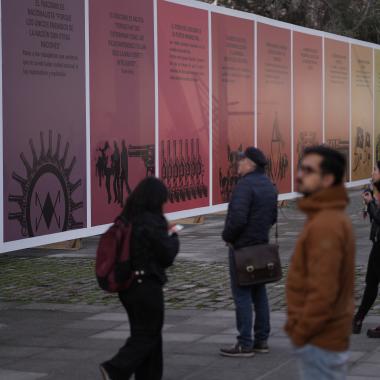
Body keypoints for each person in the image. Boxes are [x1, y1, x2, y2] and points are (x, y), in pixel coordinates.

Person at [285, 146, 355, 380]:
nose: (299, 175)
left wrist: (301, 331)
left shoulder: (326, 224)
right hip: (325, 338)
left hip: (320, 340)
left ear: (327, 179)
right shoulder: (326, 216)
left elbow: (323, 292)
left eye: (307, 170)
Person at [100, 177, 180, 380]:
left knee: (147, 334)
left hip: (128, 286)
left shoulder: (127, 218)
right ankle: (115, 368)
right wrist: (173, 235)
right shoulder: (153, 221)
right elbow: (166, 255)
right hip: (147, 286)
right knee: (148, 335)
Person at [220, 147, 277, 357]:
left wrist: (227, 237)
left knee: (242, 294)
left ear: (251, 164)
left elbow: (238, 219)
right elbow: (272, 217)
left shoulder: (244, 186)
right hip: (261, 246)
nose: (238, 163)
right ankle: (261, 340)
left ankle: (244, 343)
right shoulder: (269, 185)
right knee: (259, 293)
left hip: (242, 248)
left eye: (241, 160)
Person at [352, 161, 380, 338]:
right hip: (377, 244)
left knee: (372, 282)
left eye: (376, 169)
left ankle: (358, 318)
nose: (373, 172)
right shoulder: (377, 190)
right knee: (371, 282)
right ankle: (358, 318)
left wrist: (370, 204)